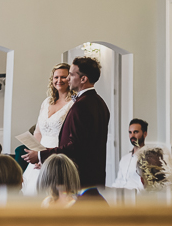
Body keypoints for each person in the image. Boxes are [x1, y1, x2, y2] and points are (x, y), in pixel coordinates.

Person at [23, 57, 110, 190]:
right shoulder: (100, 103)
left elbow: (75, 146)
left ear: (83, 79)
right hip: (94, 173)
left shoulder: (81, 105)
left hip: (80, 174)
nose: (68, 79)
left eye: (71, 74)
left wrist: (41, 156)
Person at [21, 63, 74, 196]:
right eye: (56, 77)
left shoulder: (73, 103)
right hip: (40, 152)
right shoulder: (47, 102)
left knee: (51, 192)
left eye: (63, 77)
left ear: (69, 79)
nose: (59, 80)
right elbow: (38, 132)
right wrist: (36, 154)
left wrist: (46, 158)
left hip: (57, 153)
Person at [112, 118, 148, 191]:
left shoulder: (149, 158)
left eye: (136, 132)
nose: (132, 136)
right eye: (130, 132)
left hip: (137, 199)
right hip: (120, 198)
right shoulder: (124, 159)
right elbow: (118, 181)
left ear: (144, 134)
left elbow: (146, 187)